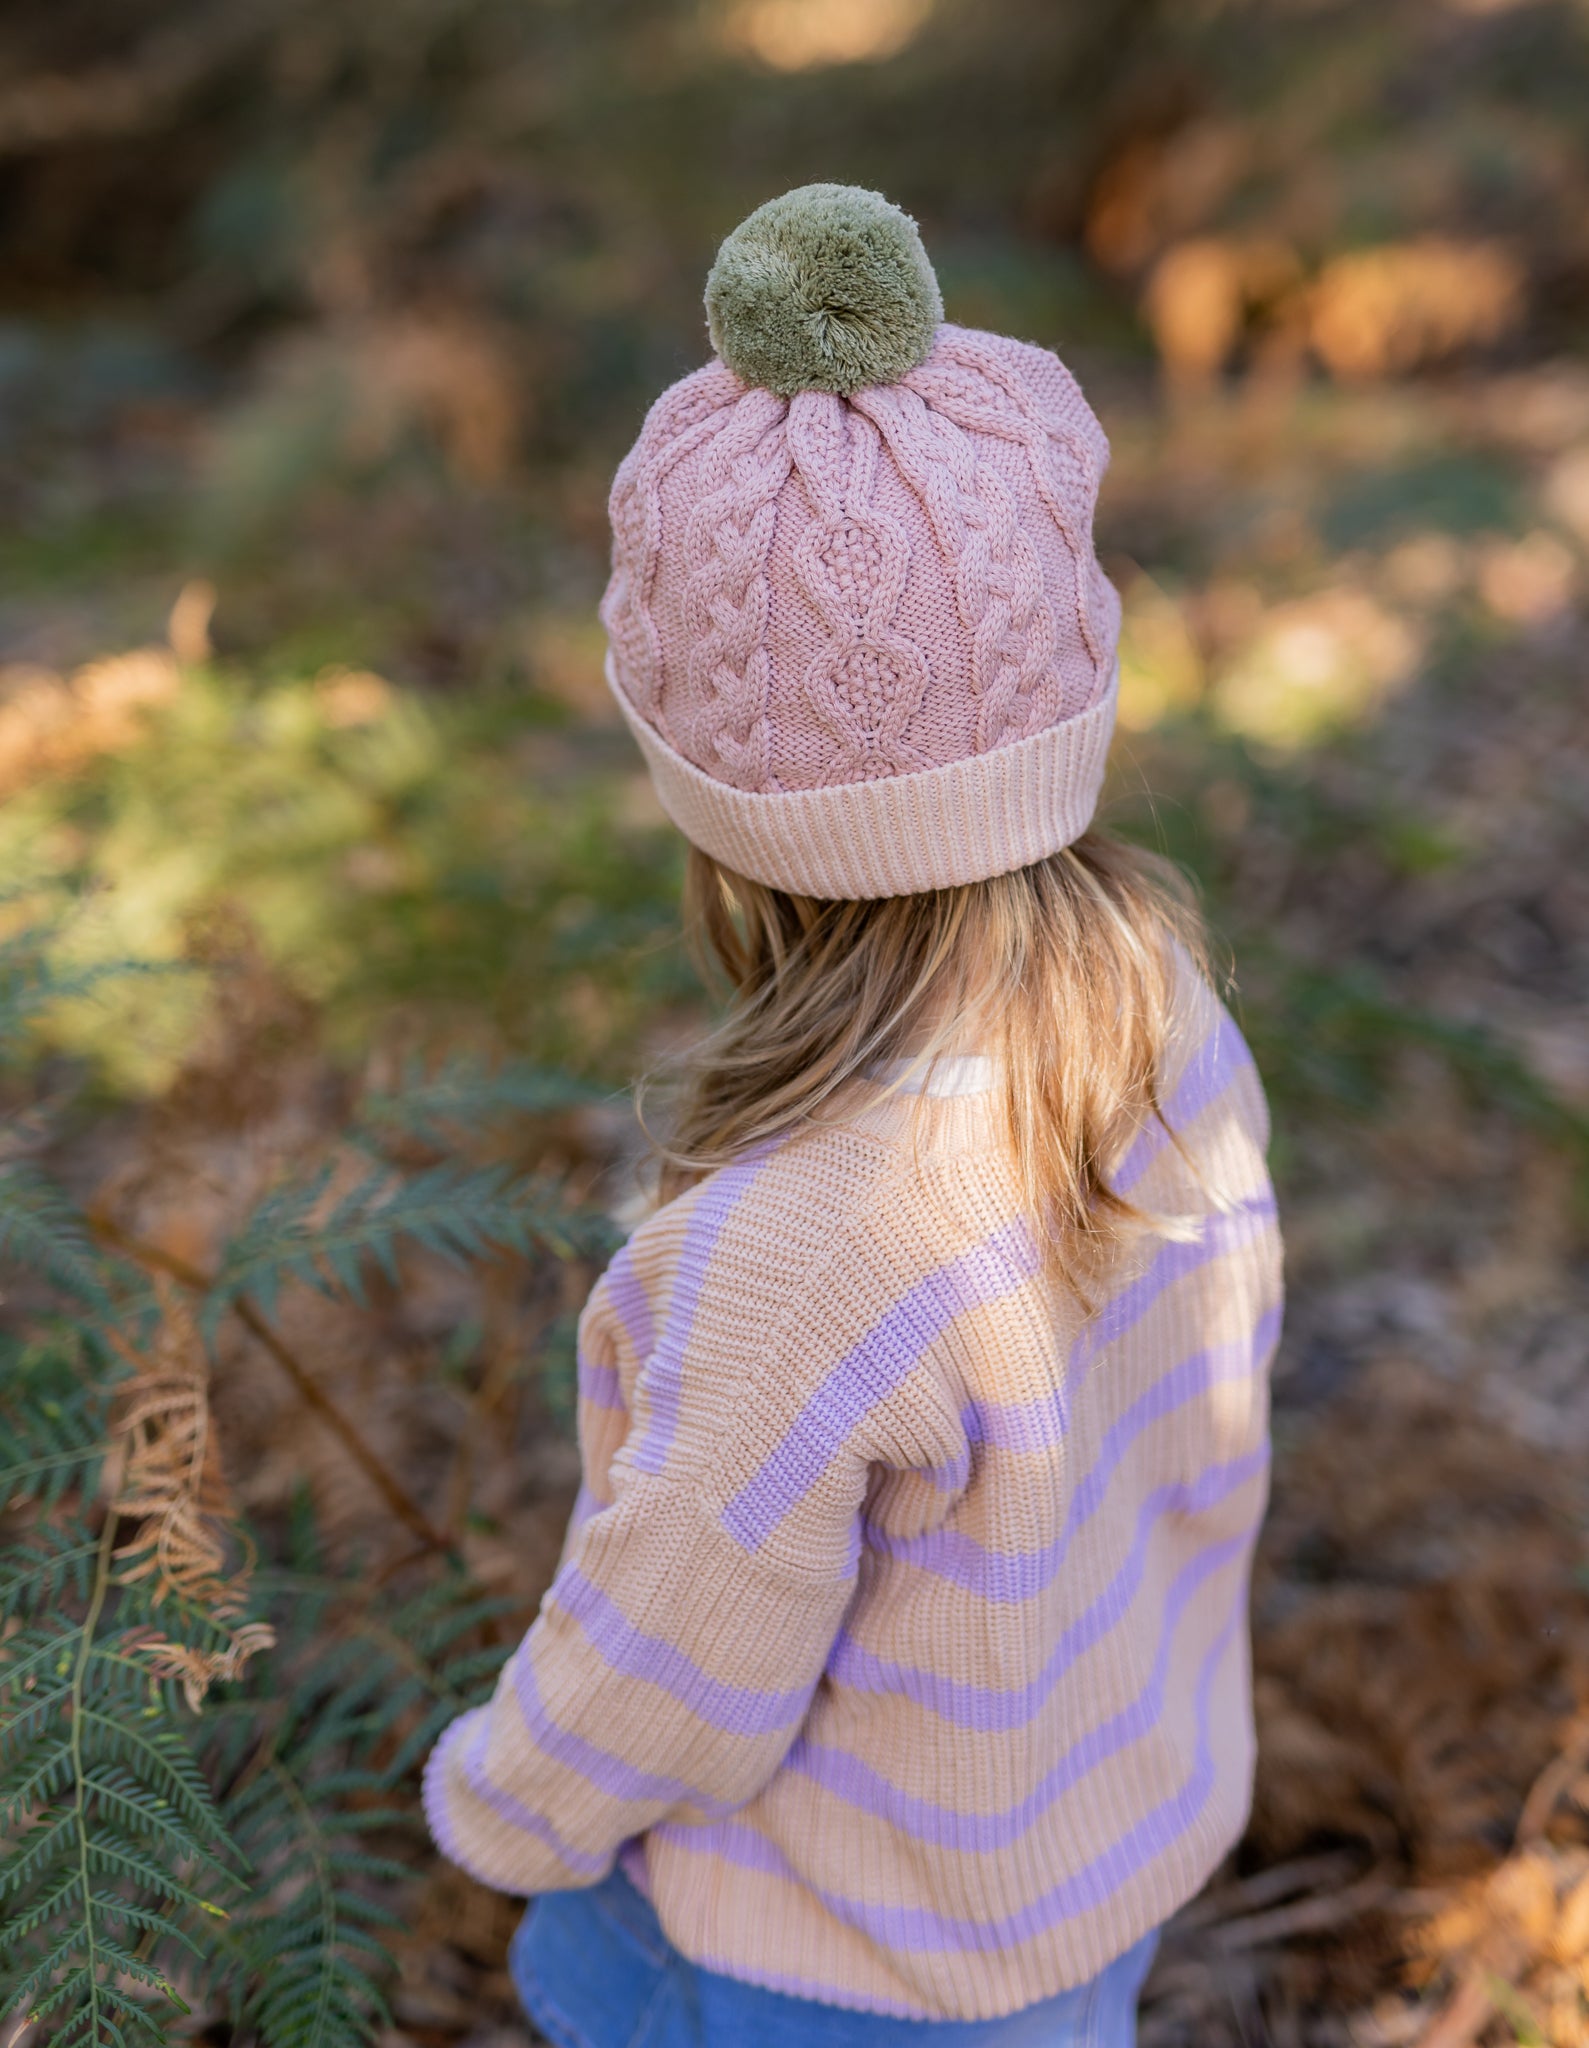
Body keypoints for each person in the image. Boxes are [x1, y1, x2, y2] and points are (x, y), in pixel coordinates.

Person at [423, 183, 1283, 2046]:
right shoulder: (1160, 1009)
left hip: (819, 1965)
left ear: (724, 811)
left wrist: (497, 1800)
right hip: (1075, 1870)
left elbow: (676, 1663)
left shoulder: (802, 1245)